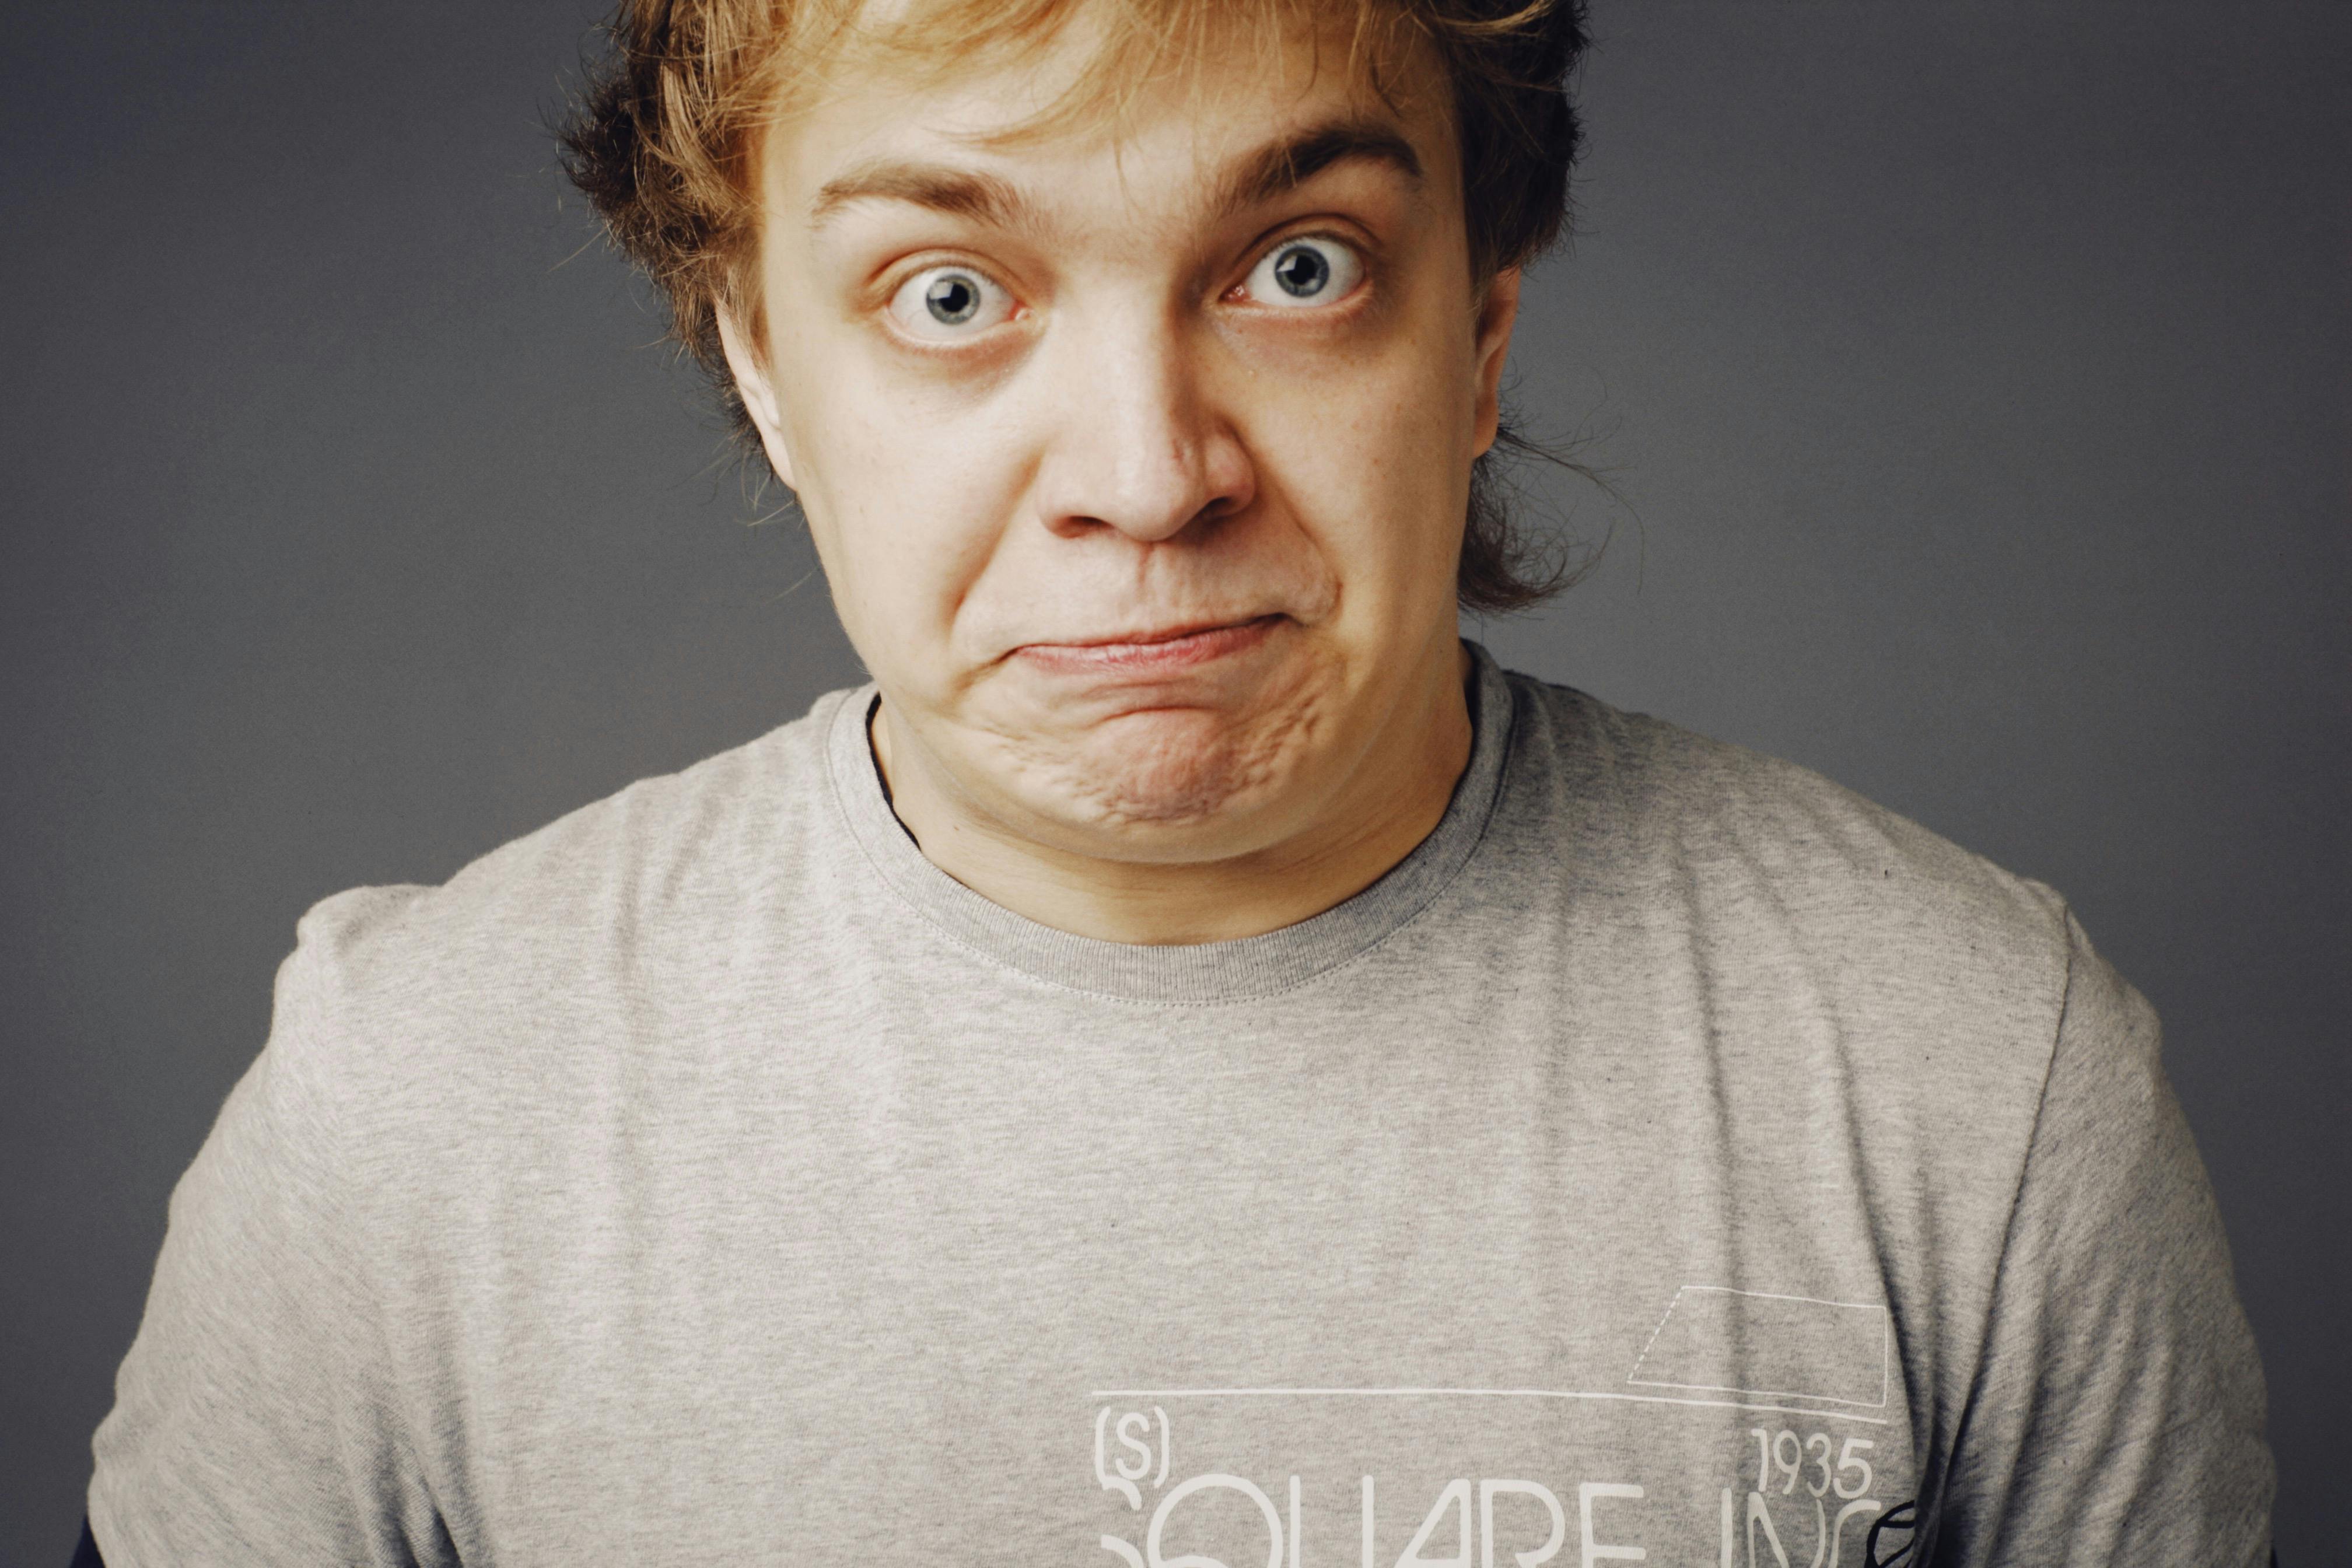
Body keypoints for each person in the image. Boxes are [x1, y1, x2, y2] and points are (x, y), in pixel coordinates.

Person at [77, 0, 2275, 1562]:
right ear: (763, 362)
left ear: (1481, 333)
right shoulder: (415, 1107)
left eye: (1297, 270)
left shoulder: (1969, 1082)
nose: (1147, 476)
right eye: (952, 293)